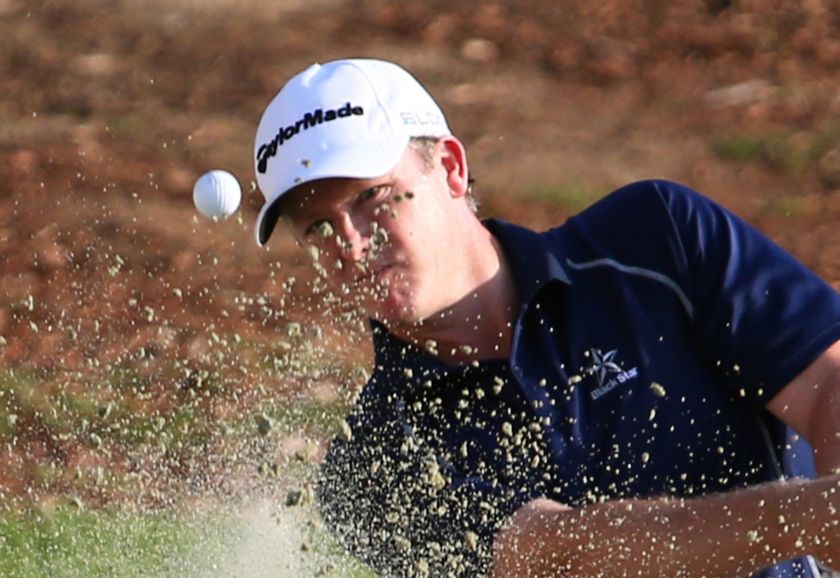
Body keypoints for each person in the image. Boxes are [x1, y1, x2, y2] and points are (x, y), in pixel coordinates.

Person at [252, 58, 840, 578]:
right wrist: (817, 516)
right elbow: (563, 558)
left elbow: (828, 386)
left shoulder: (655, 239)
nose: (351, 246)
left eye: (370, 198)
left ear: (451, 167)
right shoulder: (371, 468)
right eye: (321, 228)